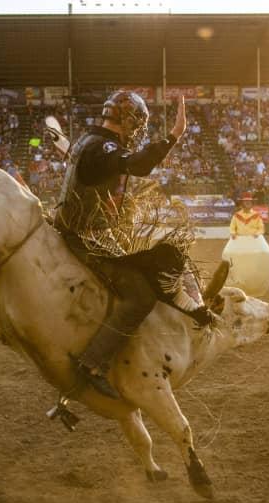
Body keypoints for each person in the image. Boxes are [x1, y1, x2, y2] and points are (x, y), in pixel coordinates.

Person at [55, 91, 220, 399]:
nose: (138, 129)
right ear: (125, 119)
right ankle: (91, 363)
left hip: (89, 229)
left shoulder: (89, 142)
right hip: (86, 236)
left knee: (159, 261)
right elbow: (139, 165)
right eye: (137, 122)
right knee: (141, 295)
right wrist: (173, 136)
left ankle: (189, 310)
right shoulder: (104, 147)